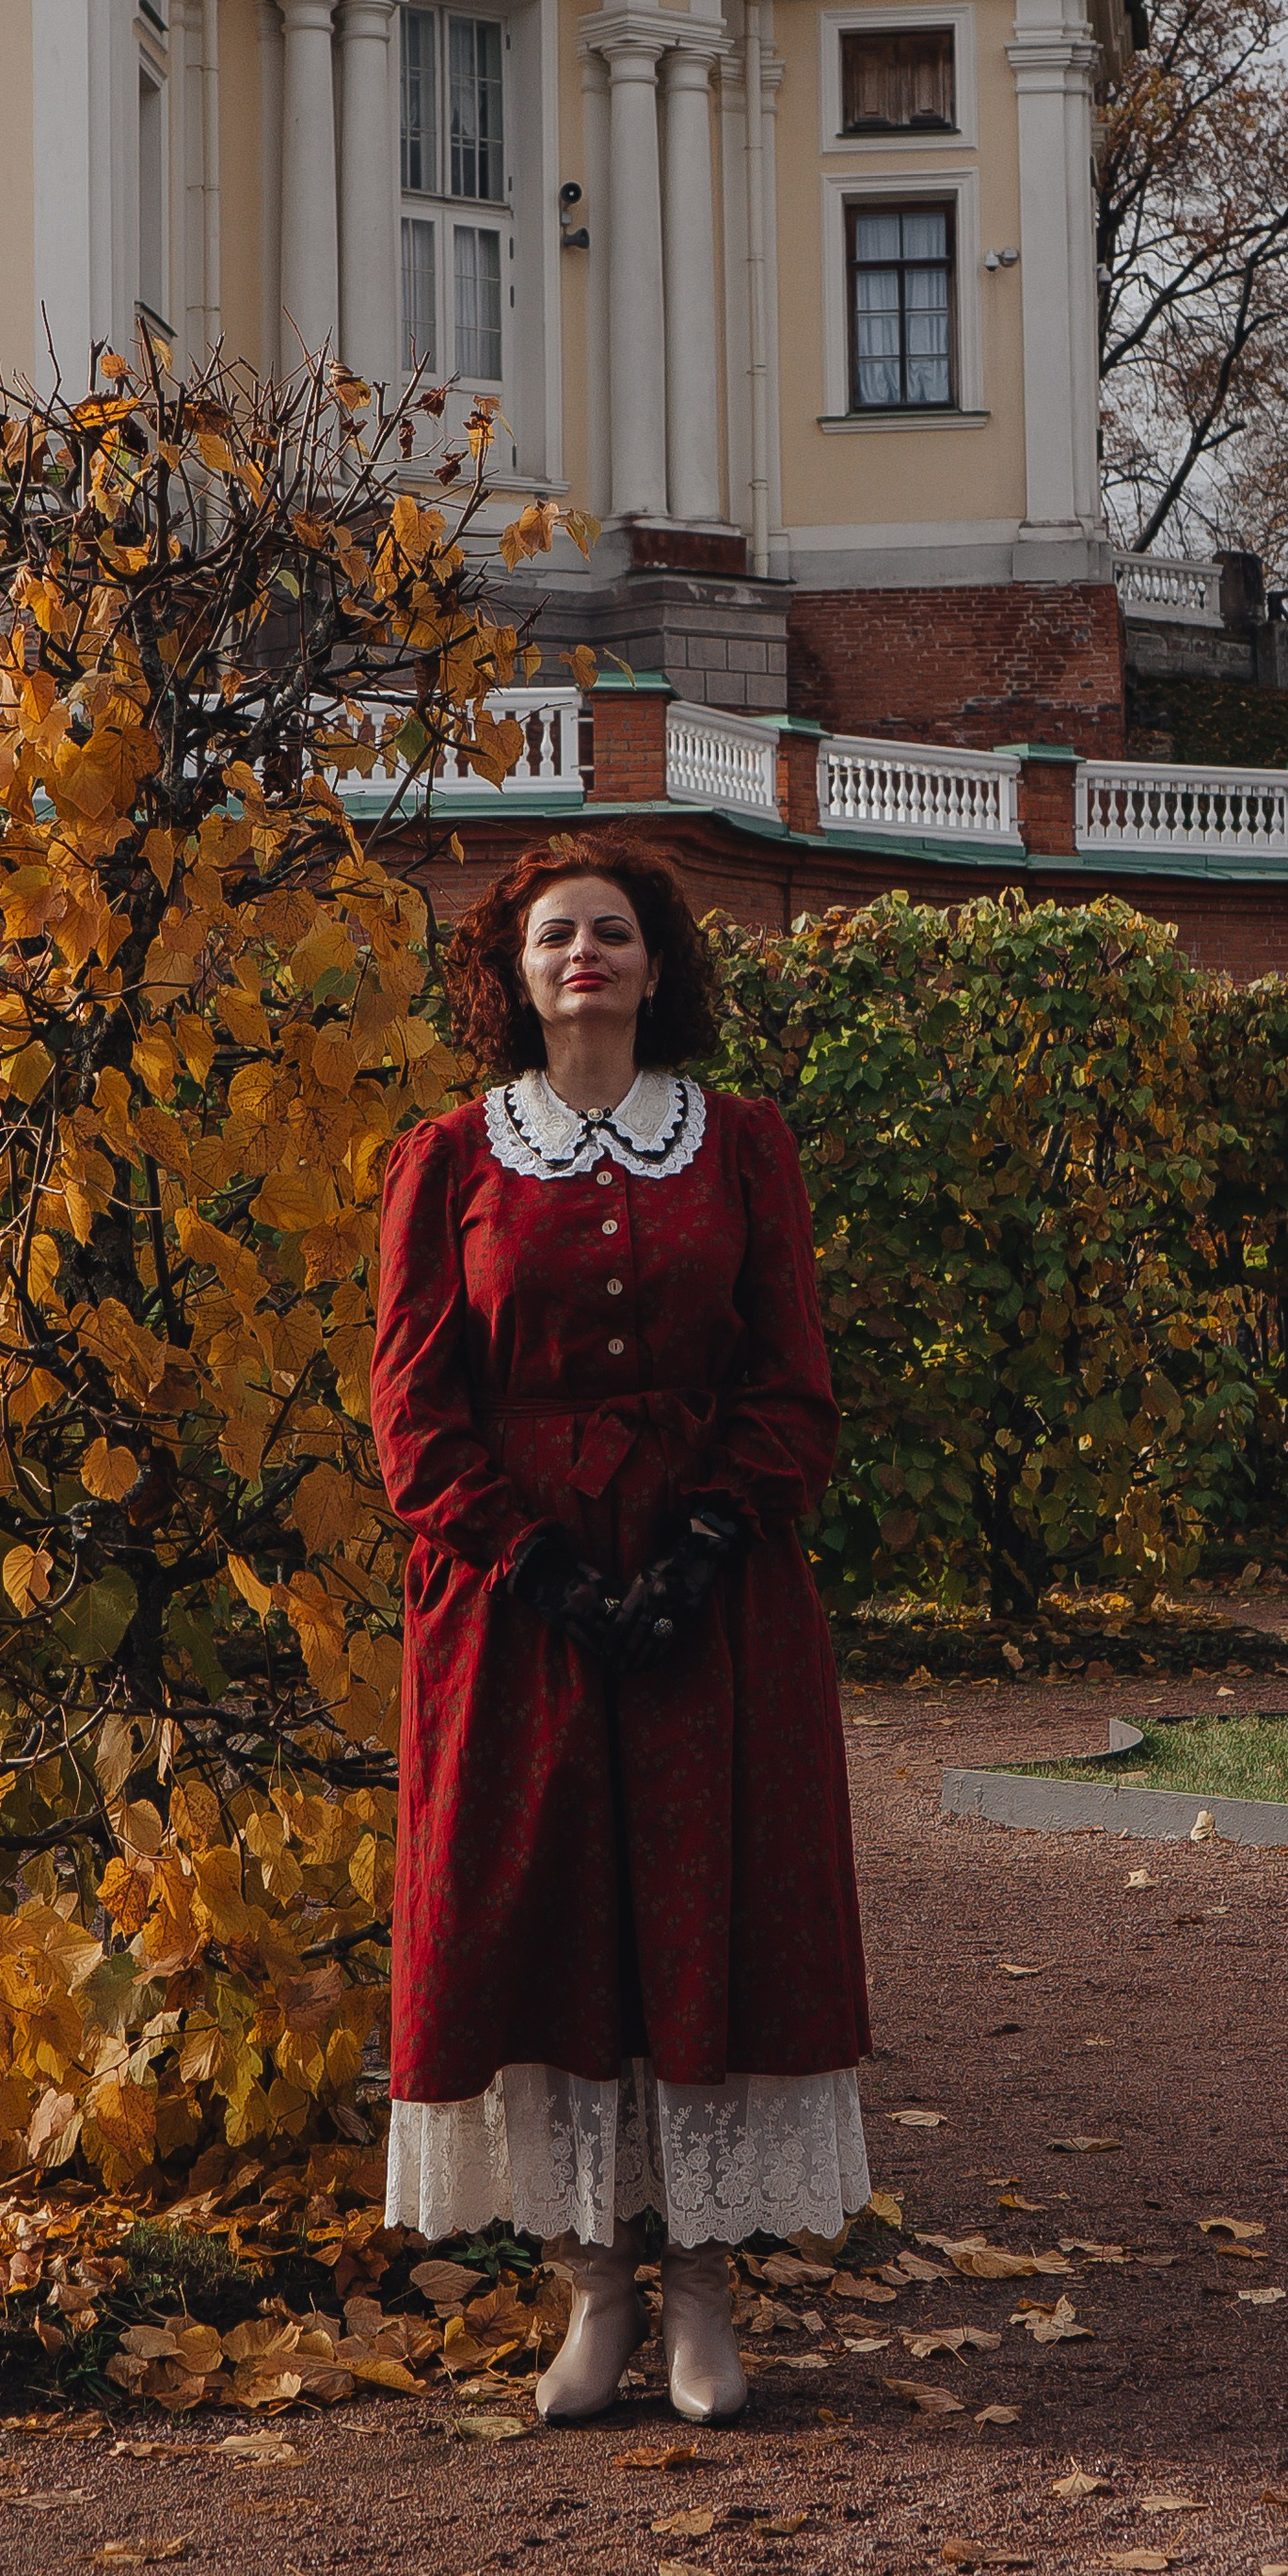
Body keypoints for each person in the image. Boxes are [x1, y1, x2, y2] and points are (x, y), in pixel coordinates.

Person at [370, 835, 872, 2427]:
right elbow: (414, 1410)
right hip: (517, 1607)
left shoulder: (745, 1145)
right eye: (552, 936)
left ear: (659, 964)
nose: (583, 954)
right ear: (512, 974)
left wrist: (713, 1533)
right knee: (554, 1919)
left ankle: (708, 2291)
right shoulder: (447, 1158)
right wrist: (531, 1566)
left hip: (714, 1597)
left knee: (706, 1906)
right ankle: (593, 2288)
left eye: (613, 932)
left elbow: (793, 1380)